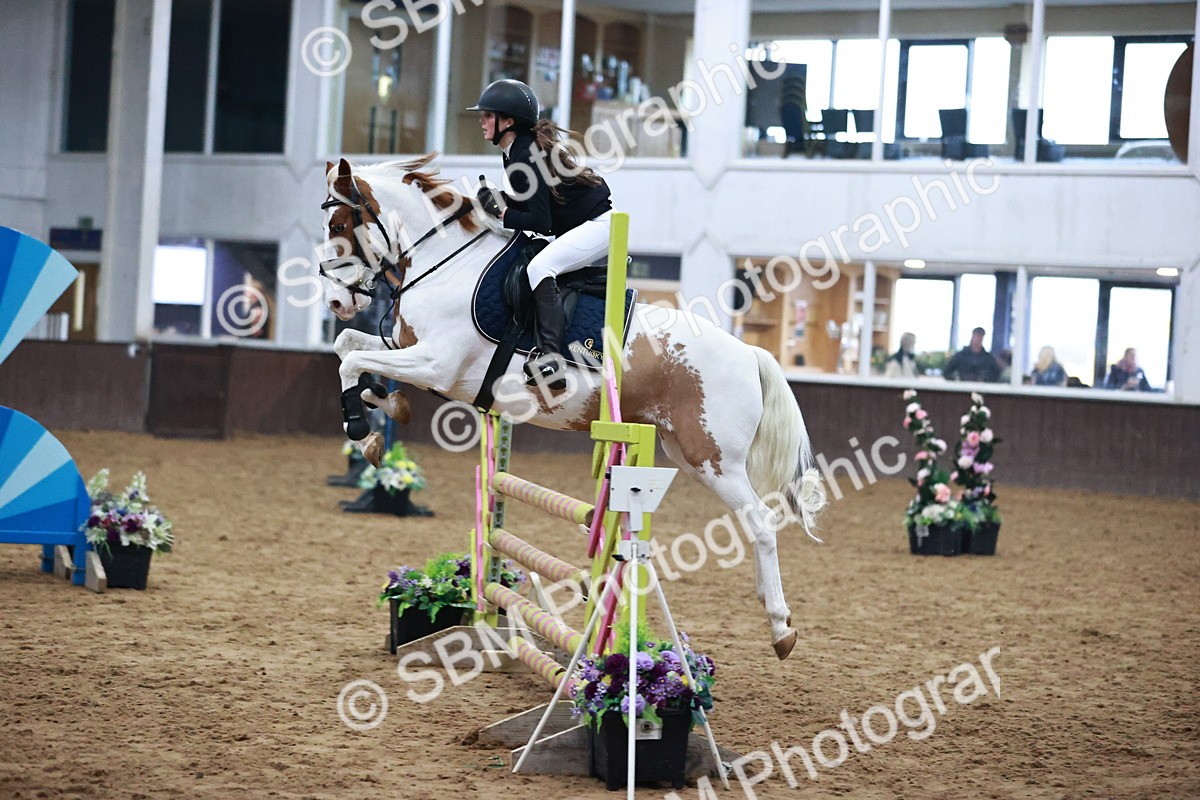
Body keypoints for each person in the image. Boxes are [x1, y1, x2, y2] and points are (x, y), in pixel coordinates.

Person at [470, 79, 613, 390]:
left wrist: (503, 212)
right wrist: (502, 200)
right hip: (583, 224)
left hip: (599, 226)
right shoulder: (514, 151)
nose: (481, 121)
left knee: (539, 267)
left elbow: (541, 220)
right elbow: (533, 204)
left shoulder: (524, 155)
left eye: (487, 116)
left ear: (507, 121)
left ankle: (551, 360)